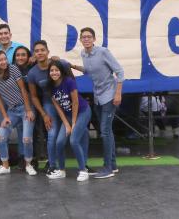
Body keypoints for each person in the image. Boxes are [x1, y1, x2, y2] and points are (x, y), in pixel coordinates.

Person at [72, 27, 124, 179]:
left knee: (105, 131)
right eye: (84, 37)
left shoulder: (103, 52)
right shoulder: (83, 54)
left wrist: (118, 94)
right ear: (80, 40)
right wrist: (72, 66)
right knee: (107, 131)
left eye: (89, 37)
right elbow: (88, 71)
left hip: (110, 96)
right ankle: (113, 166)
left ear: (94, 39)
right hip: (98, 97)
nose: (86, 39)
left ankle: (107, 168)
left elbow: (120, 72)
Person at [0, 50, 37, 176]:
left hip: (25, 108)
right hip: (12, 111)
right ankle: (5, 166)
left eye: (5, 59)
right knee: (0, 137)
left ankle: (29, 165)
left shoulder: (13, 69)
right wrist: (5, 117)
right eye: (0, 60)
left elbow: (23, 89)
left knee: (26, 139)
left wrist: (28, 110)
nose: (4, 62)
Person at [27, 40, 71, 175]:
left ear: (48, 52)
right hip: (49, 105)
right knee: (52, 135)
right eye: (37, 51)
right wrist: (44, 114)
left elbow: (72, 83)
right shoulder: (32, 73)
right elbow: (34, 96)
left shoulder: (59, 64)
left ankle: (83, 165)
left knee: (77, 134)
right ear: (34, 54)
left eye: (42, 50)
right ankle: (52, 165)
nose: (40, 53)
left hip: (65, 103)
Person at [47, 60, 91, 182]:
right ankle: (61, 171)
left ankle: (83, 170)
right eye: (51, 70)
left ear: (61, 71)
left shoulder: (69, 82)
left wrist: (74, 122)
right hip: (67, 115)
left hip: (82, 112)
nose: (54, 72)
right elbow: (58, 108)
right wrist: (67, 124)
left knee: (74, 140)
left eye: (56, 70)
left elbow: (75, 102)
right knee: (59, 142)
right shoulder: (50, 86)